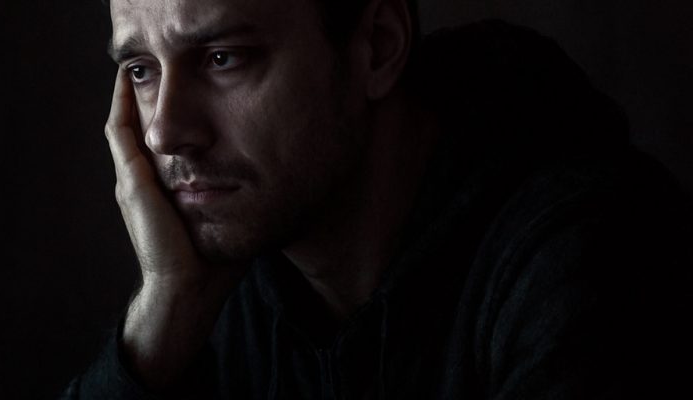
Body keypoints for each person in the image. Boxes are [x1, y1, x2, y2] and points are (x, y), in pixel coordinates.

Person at [64, 0, 693, 398]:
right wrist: (165, 312)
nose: (164, 132)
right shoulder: (225, 287)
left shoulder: (598, 260)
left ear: (378, 47)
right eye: (141, 70)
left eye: (224, 58)